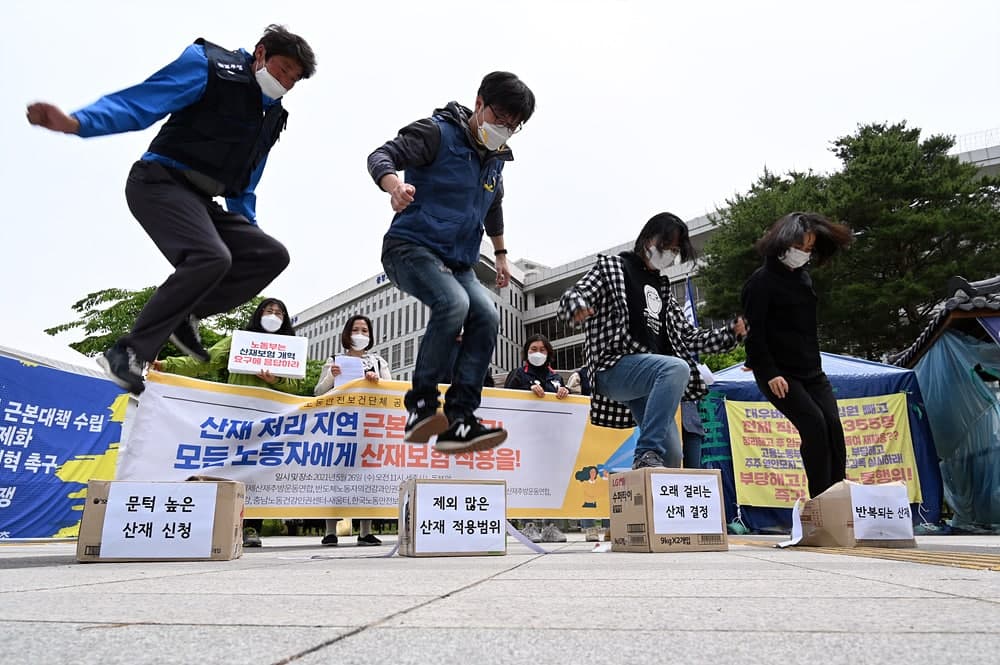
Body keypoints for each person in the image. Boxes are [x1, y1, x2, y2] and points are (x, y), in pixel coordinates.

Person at [27, 25, 316, 395]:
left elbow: (246, 181)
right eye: (281, 70)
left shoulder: (272, 115)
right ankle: (127, 351)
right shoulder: (211, 66)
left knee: (271, 255)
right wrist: (78, 123)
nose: (285, 83)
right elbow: (143, 102)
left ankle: (188, 315)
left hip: (204, 201)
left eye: (293, 80)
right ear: (260, 54)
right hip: (158, 182)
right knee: (212, 256)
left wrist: (251, 236)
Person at [368, 71, 536, 454]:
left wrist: (501, 254)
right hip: (410, 247)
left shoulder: (495, 162)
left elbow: (494, 207)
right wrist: (394, 185)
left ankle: (461, 420)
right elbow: (382, 155)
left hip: (459, 261)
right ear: (479, 103)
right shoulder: (437, 132)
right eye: (499, 119)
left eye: (513, 126)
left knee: (488, 316)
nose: (504, 130)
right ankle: (422, 406)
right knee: (454, 304)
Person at [558, 212, 746, 469]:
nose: (669, 253)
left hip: (648, 378)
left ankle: (650, 496)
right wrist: (577, 306)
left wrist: (729, 334)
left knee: (672, 456)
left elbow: (689, 336)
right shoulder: (613, 268)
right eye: (665, 246)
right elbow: (575, 294)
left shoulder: (664, 290)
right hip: (614, 367)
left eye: (674, 250)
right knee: (675, 368)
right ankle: (645, 453)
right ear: (647, 240)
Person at [153, 297, 303, 547]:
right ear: (258, 314)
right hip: (239, 415)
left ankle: (251, 527)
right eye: (268, 310)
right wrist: (167, 365)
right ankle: (220, 521)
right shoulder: (239, 341)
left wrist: (275, 380)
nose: (273, 315)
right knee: (230, 469)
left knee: (258, 473)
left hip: (270, 419)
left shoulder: (290, 348)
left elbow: (296, 383)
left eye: (279, 313)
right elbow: (205, 360)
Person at [741, 211, 853, 498]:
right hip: (780, 374)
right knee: (814, 426)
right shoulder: (760, 282)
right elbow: (754, 333)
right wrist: (769, 372)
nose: (804, 254)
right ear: (782, 243)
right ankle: (820, 500)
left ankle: (837, 495)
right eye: (799, 248)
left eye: (809, 250)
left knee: (833, 428)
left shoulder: (804, 279)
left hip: (813, 372)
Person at [313, 315, 392, 546]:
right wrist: (332, 375)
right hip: (340, 425)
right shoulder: (334, 360)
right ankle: (330, 531)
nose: (360, 334)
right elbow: (319, 392)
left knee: (367, 477)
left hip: (369, 425)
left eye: (365, 330)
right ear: (347, 334)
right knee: (336, 477)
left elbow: (391, 390)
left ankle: (365, 531)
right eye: (356, 329)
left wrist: (376, 381)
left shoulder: (378, 362)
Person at [503, 334, 570, 399]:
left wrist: (565, 391)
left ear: (548, 353)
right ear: (527, 352)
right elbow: (505, 397)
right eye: (534, 349)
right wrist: (528, 388)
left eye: (542, 350)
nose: (538, 353)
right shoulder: (518, 373)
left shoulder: (556, 377)